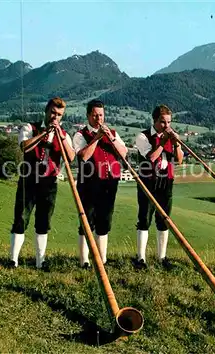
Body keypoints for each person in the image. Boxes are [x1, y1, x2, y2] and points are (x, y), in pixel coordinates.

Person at [9, 97, 75, 269]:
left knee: (43, 221)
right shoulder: (30, 128)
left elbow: (71, 157)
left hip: (49, 182)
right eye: (53, 112)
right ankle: (13, 260)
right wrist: (44, 134)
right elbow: (25, 147)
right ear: (46, 111)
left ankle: (40, 261)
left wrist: (59, 135)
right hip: (29, 180)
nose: (55, 117)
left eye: (59, 115)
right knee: (21, 218)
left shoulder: (64, 135)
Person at [73, 99, 128, 268]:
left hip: (109, 183)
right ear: (89, 115)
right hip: (89, 184)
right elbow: (83, 156)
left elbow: (123, 153)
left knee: (105, 221)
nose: (99, 119)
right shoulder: (80, 135)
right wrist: (97, 138)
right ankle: (85, 261)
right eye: (95, 115)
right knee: (86, 221)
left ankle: (102, 260)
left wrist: (111, 138)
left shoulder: (113, 132)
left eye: (101, 115)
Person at [135, 104, 184, 267]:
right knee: (144, 218)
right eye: (163, 122)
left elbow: (179, 159)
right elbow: (151, 158)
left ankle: (161, 258)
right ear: (155, 121)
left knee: (164, 219)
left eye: (169, 122)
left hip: (166, 182)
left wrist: (176, 143)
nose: (167, 126)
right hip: (148, 182)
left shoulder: (171, 137)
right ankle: (141, 258)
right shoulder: (142, 137)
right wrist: (163, 141)